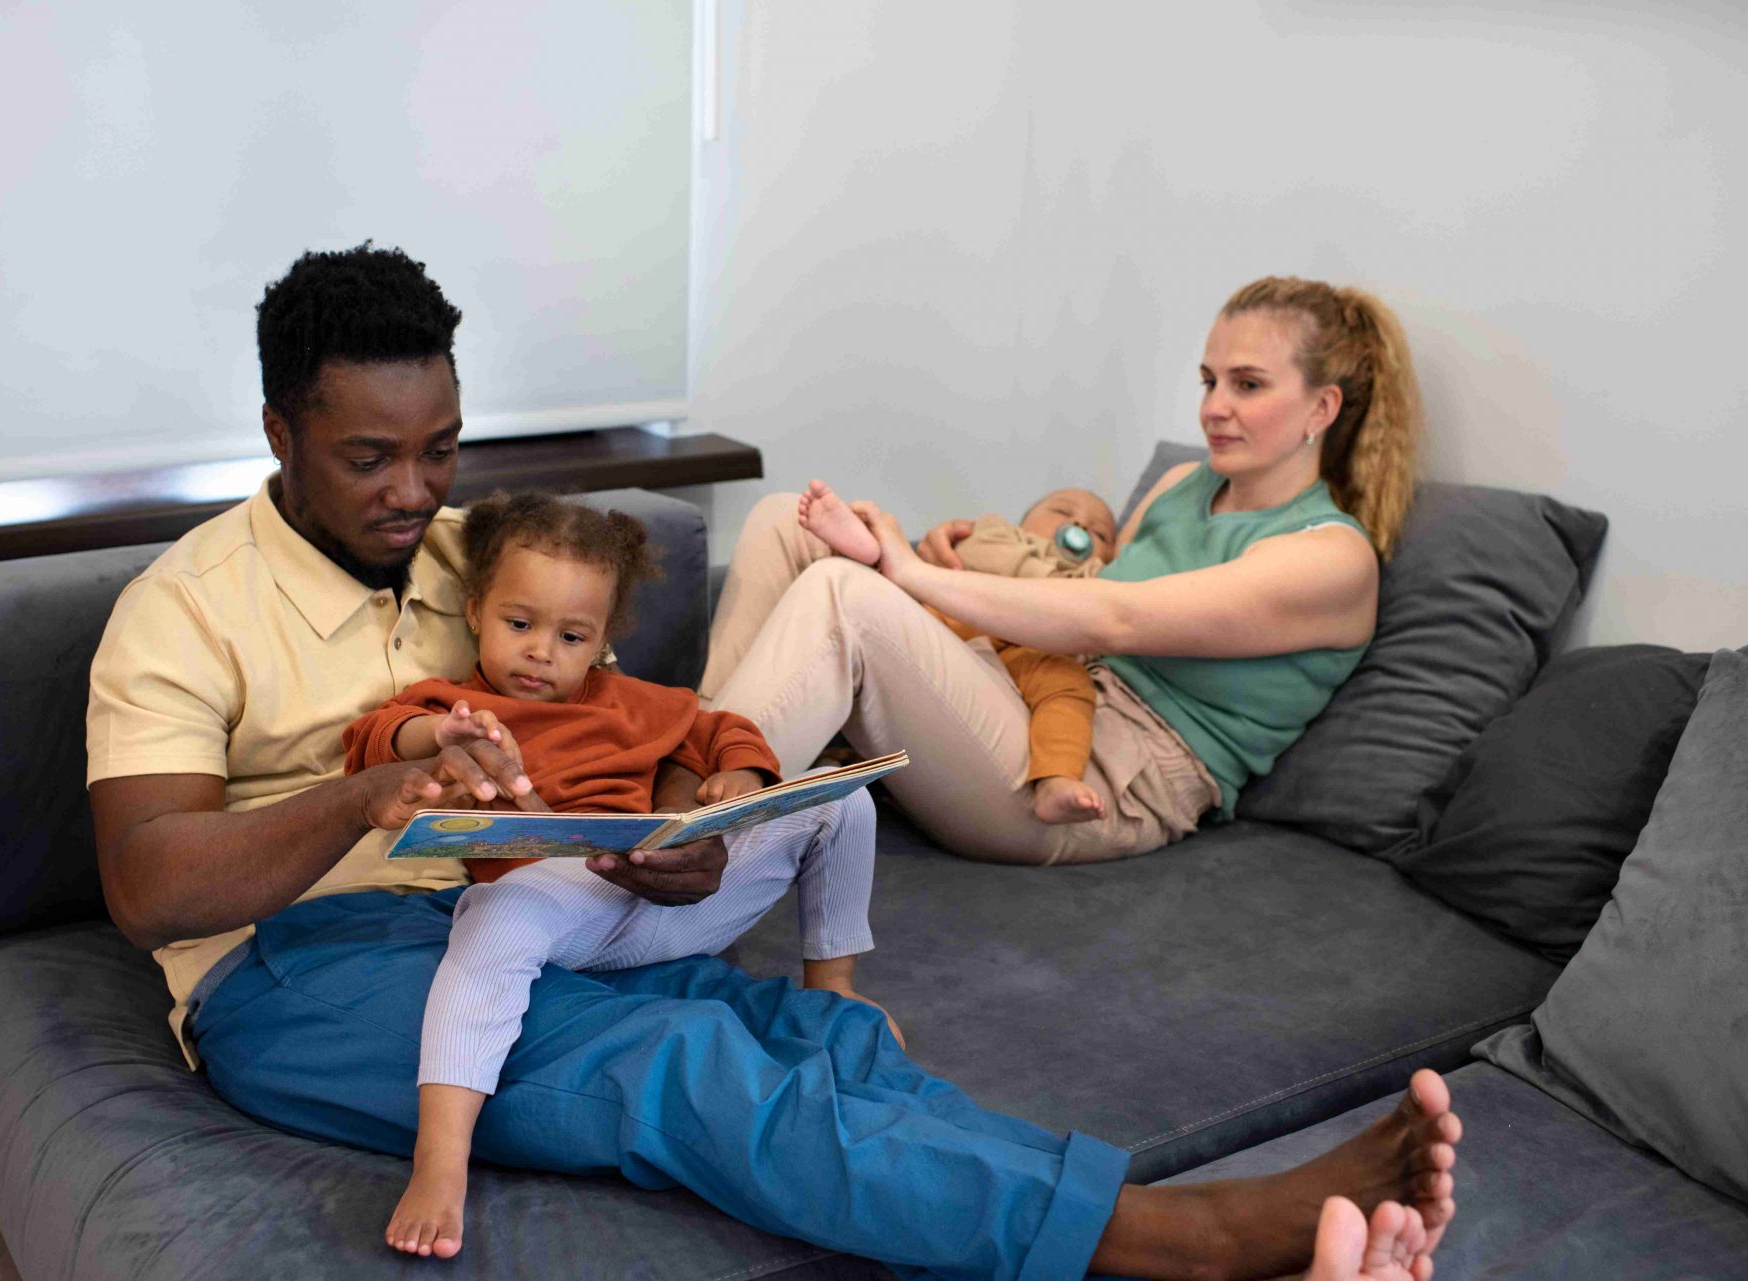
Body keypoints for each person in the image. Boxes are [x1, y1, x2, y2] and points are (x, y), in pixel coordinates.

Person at [88, 245, 1460, 1280]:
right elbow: (152, 889)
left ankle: (1103, 1214)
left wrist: (684, 829)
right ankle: (1195, 1239)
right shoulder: (184, 607)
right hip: (295, 979)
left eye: (440, 450)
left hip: (512, 913)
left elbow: (616, 727)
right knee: (686, 1059)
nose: (414, 491)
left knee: (814, 1025)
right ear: (280, 436)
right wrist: (373, 791)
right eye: (370, 459)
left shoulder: (478, 562)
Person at [339, 490, 897, 1256]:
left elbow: (721, 726)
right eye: (520, 623)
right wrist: (440, 732)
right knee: (492, 912)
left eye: (572, 636)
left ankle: (833, 989)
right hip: (556, 906)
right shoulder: (456, 703)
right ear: (475, 610)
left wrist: (741, 773)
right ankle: (441, 1161)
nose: (541, 652)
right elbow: (371, 737)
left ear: (601, 640)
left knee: (845, 803)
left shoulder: (632, 702)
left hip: (666, 892)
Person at [701, 276, 1421, 868]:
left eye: (1248, 384)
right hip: (1041, 686)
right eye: (1209, 381)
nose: (1214, 408)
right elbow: (1081, 589)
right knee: (779, 520)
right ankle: (685, 768)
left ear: (1322, 407)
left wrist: (912, 573)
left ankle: (682, 838)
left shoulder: (1332, 559)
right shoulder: (1183, 484)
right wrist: (975, 547)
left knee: (846, 594)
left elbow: (1118, 616)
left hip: (1101, 776)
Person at [798, 479, 1118, 823]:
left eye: (1100, 533)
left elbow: (1100, 612)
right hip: (958, 624)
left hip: (1033, 655)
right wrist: (1049, 577)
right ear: (1022, 521)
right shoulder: (997, 532)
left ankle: (1057, 778)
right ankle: (862, 551)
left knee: (1070, 686)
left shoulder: (1099, 576)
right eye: (1062, 511)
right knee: (888, 612)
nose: (1081, 526)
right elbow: (973, 555)